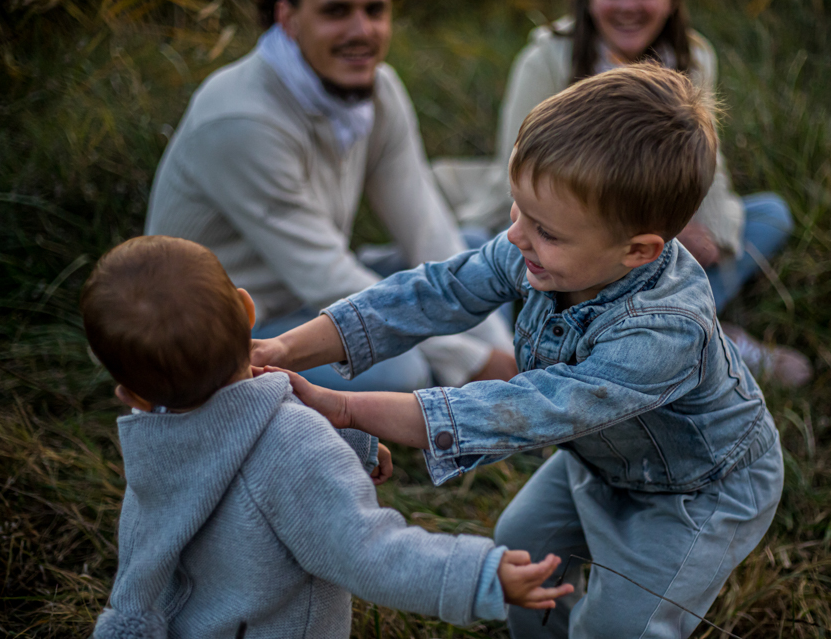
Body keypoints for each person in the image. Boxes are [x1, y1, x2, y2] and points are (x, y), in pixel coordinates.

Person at [252, 63, 785, 638]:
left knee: (620, 628)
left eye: (546, 231)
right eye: (517, 209)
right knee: (523, 559)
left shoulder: (661, 333)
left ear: (638, 250)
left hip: (696, 490)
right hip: (601, 463)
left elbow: (526, 410)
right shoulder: (541, 248)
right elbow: (436, 292)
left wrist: (349, 409)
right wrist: (285, 346)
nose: (515, 237)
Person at [82, 235, 573, 638]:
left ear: (131, 396)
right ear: (247, 310)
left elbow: (143, 574)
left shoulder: (154, 449)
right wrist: (479, 576)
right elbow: (368, 552)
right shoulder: (291, 445)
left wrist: (348, 449)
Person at [432, 0, 811, 386]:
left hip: (648, 243)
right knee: (475, 248)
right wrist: (618, 236)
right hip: (566, 239)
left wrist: (708, 236)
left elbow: (708, 169)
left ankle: (682, 326)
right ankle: (670, 338)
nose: (628, 6)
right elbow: (518, 166)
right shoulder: (547, 57)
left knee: (770, 215)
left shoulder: (694, 57)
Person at [145, 0, 516, 394]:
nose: (361, 31)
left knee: (477, 255)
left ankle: (455, 391)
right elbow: (327, 277)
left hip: (310, 298)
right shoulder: (242, 120)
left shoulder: (381, 90)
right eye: (336, 11)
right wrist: (472, 361)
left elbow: (426, 230)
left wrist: (504, 360)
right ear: (288, 18)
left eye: (375, 10)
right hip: (229, 327)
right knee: (399, 372)